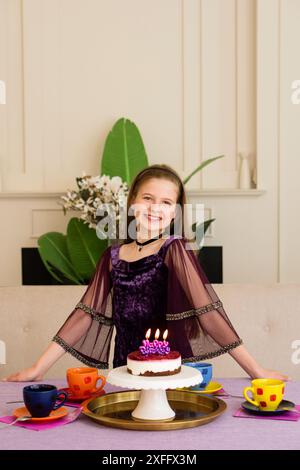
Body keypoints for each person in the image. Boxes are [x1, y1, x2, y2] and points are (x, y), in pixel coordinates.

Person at [3, 164, 290, 382]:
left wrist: (256, 370)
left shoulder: (174, 250)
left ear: (175, 213)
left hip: (169, 371)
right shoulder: (112, 257)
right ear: (133, 203)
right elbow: (83, 316)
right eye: (148, 198)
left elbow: (209, 313)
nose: (155, 208)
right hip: (124, 371)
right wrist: (37, 368)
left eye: (166, 203)